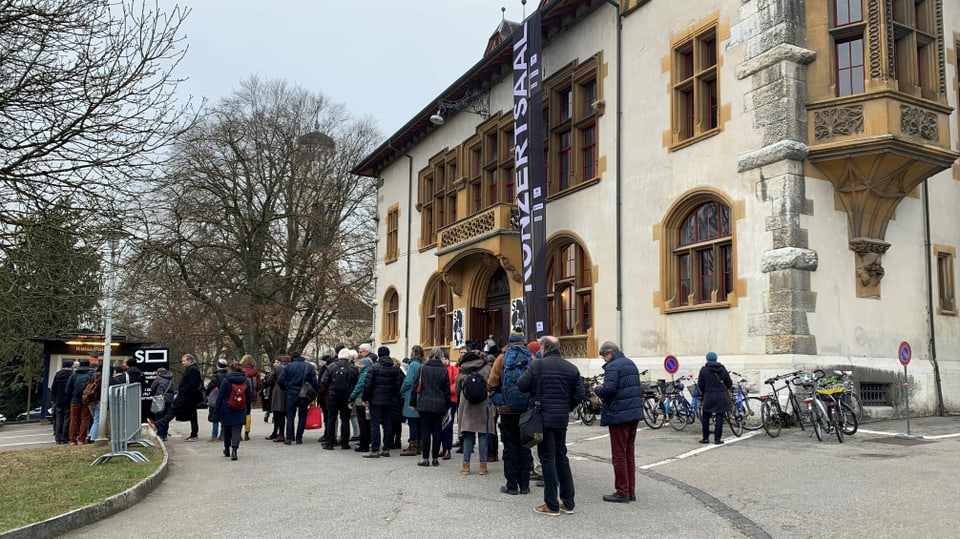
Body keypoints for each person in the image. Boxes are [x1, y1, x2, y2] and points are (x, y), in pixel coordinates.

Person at [517, 335, 584, 516]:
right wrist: (566, 406)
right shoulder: (571, 368)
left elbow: (521, 385)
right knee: (561, 457)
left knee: (547, 459)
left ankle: (551, 504)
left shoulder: (536, 365)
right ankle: (568, 502)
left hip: (542, 418)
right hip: (561, 419)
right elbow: (579, 395)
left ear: (544, 348)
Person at [593, 341, 644, 503]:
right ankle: (631, 490)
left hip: (619, 413)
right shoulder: (630, 363)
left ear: (609, 353)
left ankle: (622, 491)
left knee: (619, 454)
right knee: (628, 453)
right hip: (633, 412)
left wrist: (596, 389)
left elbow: (609, 389)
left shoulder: (613, 366)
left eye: (604, 356)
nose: (604, 360)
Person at [488, 328, 532, 495]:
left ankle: (512, 485)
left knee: (510, 447)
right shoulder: (530, 357)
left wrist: (499, 398)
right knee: (525, 446)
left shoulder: (502, 357)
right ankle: (525, 485)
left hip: (507, 410)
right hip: (526, 411)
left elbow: (492, 382)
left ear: (510, 340)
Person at [455, 350, 494, 475]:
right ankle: (483, 466)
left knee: (468, 435)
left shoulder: (463, 368)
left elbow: (457, 388)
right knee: (483, 434)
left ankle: (466, 466)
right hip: (483, 404)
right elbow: (492, 384)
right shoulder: (487, 367)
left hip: (467, 405)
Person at [361, 346, 402, 458]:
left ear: (379, 355)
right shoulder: (395, 369)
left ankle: (375, 449)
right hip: (389, 400)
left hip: (375, 399)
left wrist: (365, 398)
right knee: (387, 424)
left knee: (374, 424)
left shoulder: (374, 367)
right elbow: (398, 385)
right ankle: (386, 448)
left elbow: (367, 385)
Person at [154, 353, 204, 442]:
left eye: (184, 361)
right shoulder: (191, 369)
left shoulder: (192, 370)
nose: (182, 362)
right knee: (192, 415)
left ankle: (158, 424)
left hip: (187, 396)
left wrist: (183, 390)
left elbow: (193, 384)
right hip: (189, 396)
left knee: (174, 410)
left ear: (189, 360)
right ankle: (194, 434)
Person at [414, 348, 450, 467]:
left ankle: (425, 458)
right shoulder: (444, 371)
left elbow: (416, 386)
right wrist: (448, 405)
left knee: (425, 431)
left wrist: (413, 403)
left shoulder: (422, 368)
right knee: (437, 431)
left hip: (425, 402)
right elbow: (447, 390)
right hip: (440, 404)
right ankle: (435, 458)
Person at [320, 347, 359, 450]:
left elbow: (324, 381)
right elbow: (356, 382)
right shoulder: (353, 368)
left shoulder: (331, 366)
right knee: (345, 419)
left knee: (331, 418)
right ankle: (344, 443)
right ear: (349, 357)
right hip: (347, 396)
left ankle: (330, 443)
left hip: (332, 395)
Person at [277, 350, 319, 445]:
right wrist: (315, 392)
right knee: (302, 416)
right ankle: (299, 438)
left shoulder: (288, 366)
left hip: (291, 393)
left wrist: (286, 388)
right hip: (304, 394)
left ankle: (289, 438)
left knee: (290, 416)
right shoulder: (308, 366)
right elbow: (314, 382)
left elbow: (280, 380)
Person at [216, 361, 254, 460]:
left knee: (227, 429)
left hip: (227, 409)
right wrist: (248, 411)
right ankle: (234, 451)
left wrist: (217, 411)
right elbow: (249, 397)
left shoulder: (226, 380)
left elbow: (220, 397)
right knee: (237, 430)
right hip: (241, 409)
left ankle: (226, 449)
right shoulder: (246, 381)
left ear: (231, 369)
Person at [697, 351, 733, 445]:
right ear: (716, 359)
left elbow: (700, 384)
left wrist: (705, 391)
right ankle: (717, 439)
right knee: (719, 416)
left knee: (705, 417)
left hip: (709, 396)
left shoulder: (704, 370)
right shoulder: (722, 368)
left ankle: (705, 438)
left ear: (707, 359)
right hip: (721, 396)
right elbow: (729, 383)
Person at [399, 345, 425, 456]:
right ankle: (420, 444)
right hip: (422, 395)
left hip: (412, 395)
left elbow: (408, 381)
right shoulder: (424, 364)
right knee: (419, 422)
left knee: (412, 422)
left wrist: (401, 390)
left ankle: (413, 445)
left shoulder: (413, 365)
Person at [65, 357, 95, 445]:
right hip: (86, 399)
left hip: (75, 399)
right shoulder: (91, 374)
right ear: (88, 365)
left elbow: (67, 390)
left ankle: (72, 440)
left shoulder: (74, 375)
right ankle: (82, 439)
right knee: (85, 419)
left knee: (74, 419)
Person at [441, 347, 460, 460]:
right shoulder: (439, 369)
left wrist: (445, 390)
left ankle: (447, 449)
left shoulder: (453, 369)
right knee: (441, 426)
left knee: (448, 425)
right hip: (440, 400)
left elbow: (456, 386)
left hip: (451, 400)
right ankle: (443, 448)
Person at [240, 354, 262, 441]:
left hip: (240, 394)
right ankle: (247, 432)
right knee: (248, 413)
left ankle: (238, 433)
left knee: (239, 413)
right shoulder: (256, 372)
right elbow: (259, 384)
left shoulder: (240, 371)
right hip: (250, 394)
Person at [51, 360, 74, 444]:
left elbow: (53, 388)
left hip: (59, 400)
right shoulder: (72, 375)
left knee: (58, 419)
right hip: (68, 400)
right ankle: (65, 437)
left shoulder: (58, 374)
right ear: (71, 366)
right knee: (67, 419)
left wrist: (55, 398)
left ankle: (58, 437)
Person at [206, 359, 229, 442]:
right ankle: (222, 435)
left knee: (215, 418)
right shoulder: (228, 375)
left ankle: (214, 436)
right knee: (223, 418)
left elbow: (211, 386)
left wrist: (207, 393)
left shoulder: (216, 376)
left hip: (216, 399)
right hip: (226, 399)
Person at [265, 356, 287, 442]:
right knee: (285, 415)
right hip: (288, 392)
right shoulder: (289, 367)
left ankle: (278, 433)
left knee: (277, 414)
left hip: (278, 392)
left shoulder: (277, 369)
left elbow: (269, 380)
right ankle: (286, 433)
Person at [149, 367, 176, 435]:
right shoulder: (171, 379)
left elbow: (152, 388)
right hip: (169, 399)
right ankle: (164, 433)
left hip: (160, 399)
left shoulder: (158, 378)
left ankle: (160, 433)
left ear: (158, 372)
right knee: (166, 416)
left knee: (159, 416)